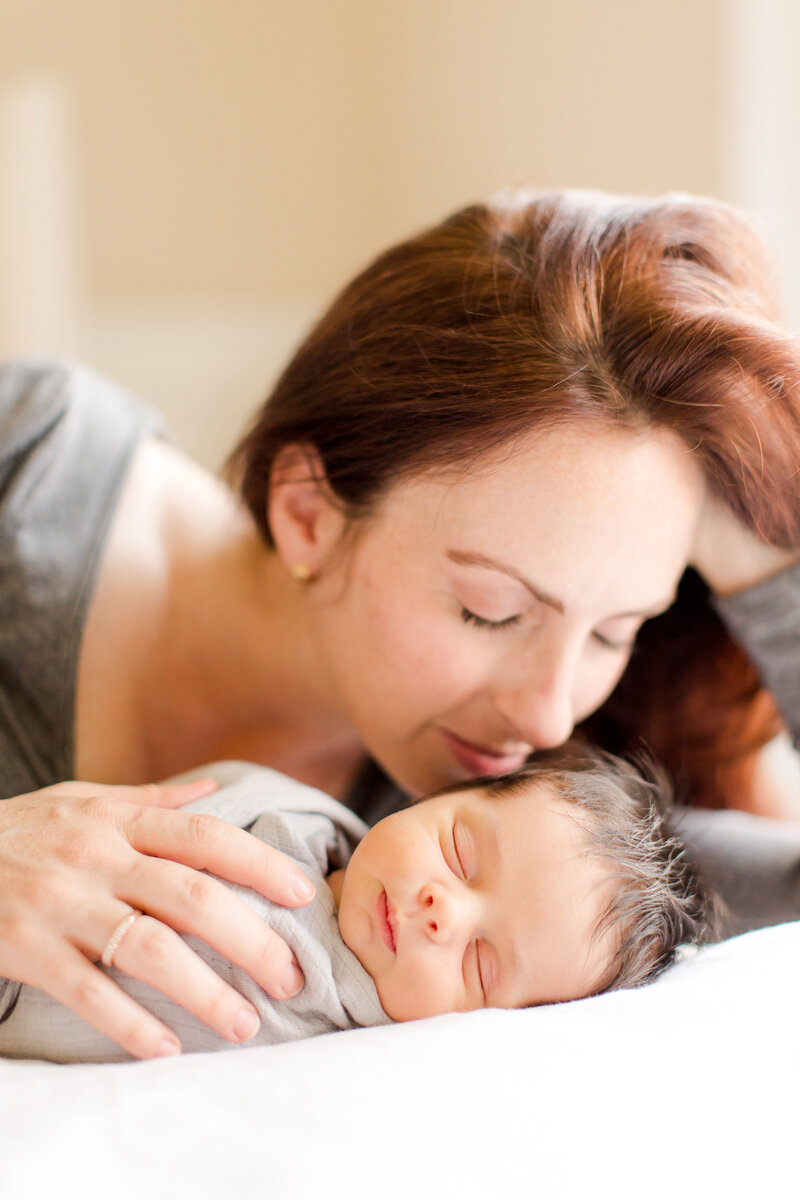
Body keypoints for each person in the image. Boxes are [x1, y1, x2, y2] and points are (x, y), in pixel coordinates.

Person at [2, 186, 800, 1059]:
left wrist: (763, 550)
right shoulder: (26, 468)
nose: (547, 718)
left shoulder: (503, 837)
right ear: (308, 513)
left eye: (616, 630)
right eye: (488, 610)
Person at [0, 747, 709, 1062]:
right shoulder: (286, 804)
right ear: (437, 797)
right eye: (461, 853)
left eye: (482, 967)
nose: (444, 912)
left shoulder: (326, 1017)